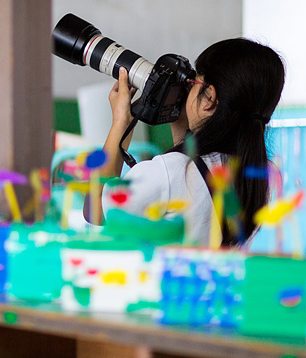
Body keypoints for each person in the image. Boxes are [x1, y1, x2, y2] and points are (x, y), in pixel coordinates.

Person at [88, 38, 285, 247]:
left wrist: (122, 121)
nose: (188, 89)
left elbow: (95, 210)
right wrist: (181, 118)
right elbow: (194, 177)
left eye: (194, 83)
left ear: (209, 98)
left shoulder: (169, 172)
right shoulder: (261, 175)